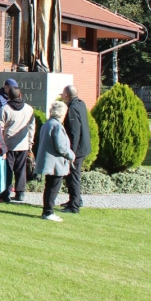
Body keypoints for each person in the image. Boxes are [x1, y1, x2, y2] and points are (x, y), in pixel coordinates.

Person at [35, 101, 76, 222]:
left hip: (49, 162)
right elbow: (61, 147)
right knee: (53, 188)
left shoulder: (47, 124)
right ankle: (48, 212)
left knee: (49, 187)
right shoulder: (57, 126)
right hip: (55, 164)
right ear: (62, 113)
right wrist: (71, 155)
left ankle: (47, 211)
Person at [0, 85, 36, 202]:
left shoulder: (4, 109)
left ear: (8, 96)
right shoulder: (29, 109)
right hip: (23, 144)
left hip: (8, 144)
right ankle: (20, 193)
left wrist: (1, 144)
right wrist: (30, 143)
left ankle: (7, 192)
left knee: (8, 169)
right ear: (20, 95)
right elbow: (31, 127)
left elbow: (0, 128)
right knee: (21, 169)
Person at [61, 85, 91, 214]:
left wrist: (71, 153)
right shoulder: (81, 103)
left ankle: (74, 205)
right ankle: (76, 199)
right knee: (72, 175)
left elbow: (74, 132)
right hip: (83, 146)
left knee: (73, 176)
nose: (61, 96)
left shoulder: (72, 108)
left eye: (63, 94)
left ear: (67, 95)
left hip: (77, 149)